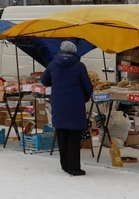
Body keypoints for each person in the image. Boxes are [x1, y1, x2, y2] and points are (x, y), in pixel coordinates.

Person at [40, 40, 93, 176]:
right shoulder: (79, 66)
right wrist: (84, 98)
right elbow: (88, 87)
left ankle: (65, 165)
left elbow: (44, 81)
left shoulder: (53, 64)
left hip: (58, 105)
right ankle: (74, 168)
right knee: (74, 137)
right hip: (75, 106)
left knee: (62, 135)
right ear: (74, 51)